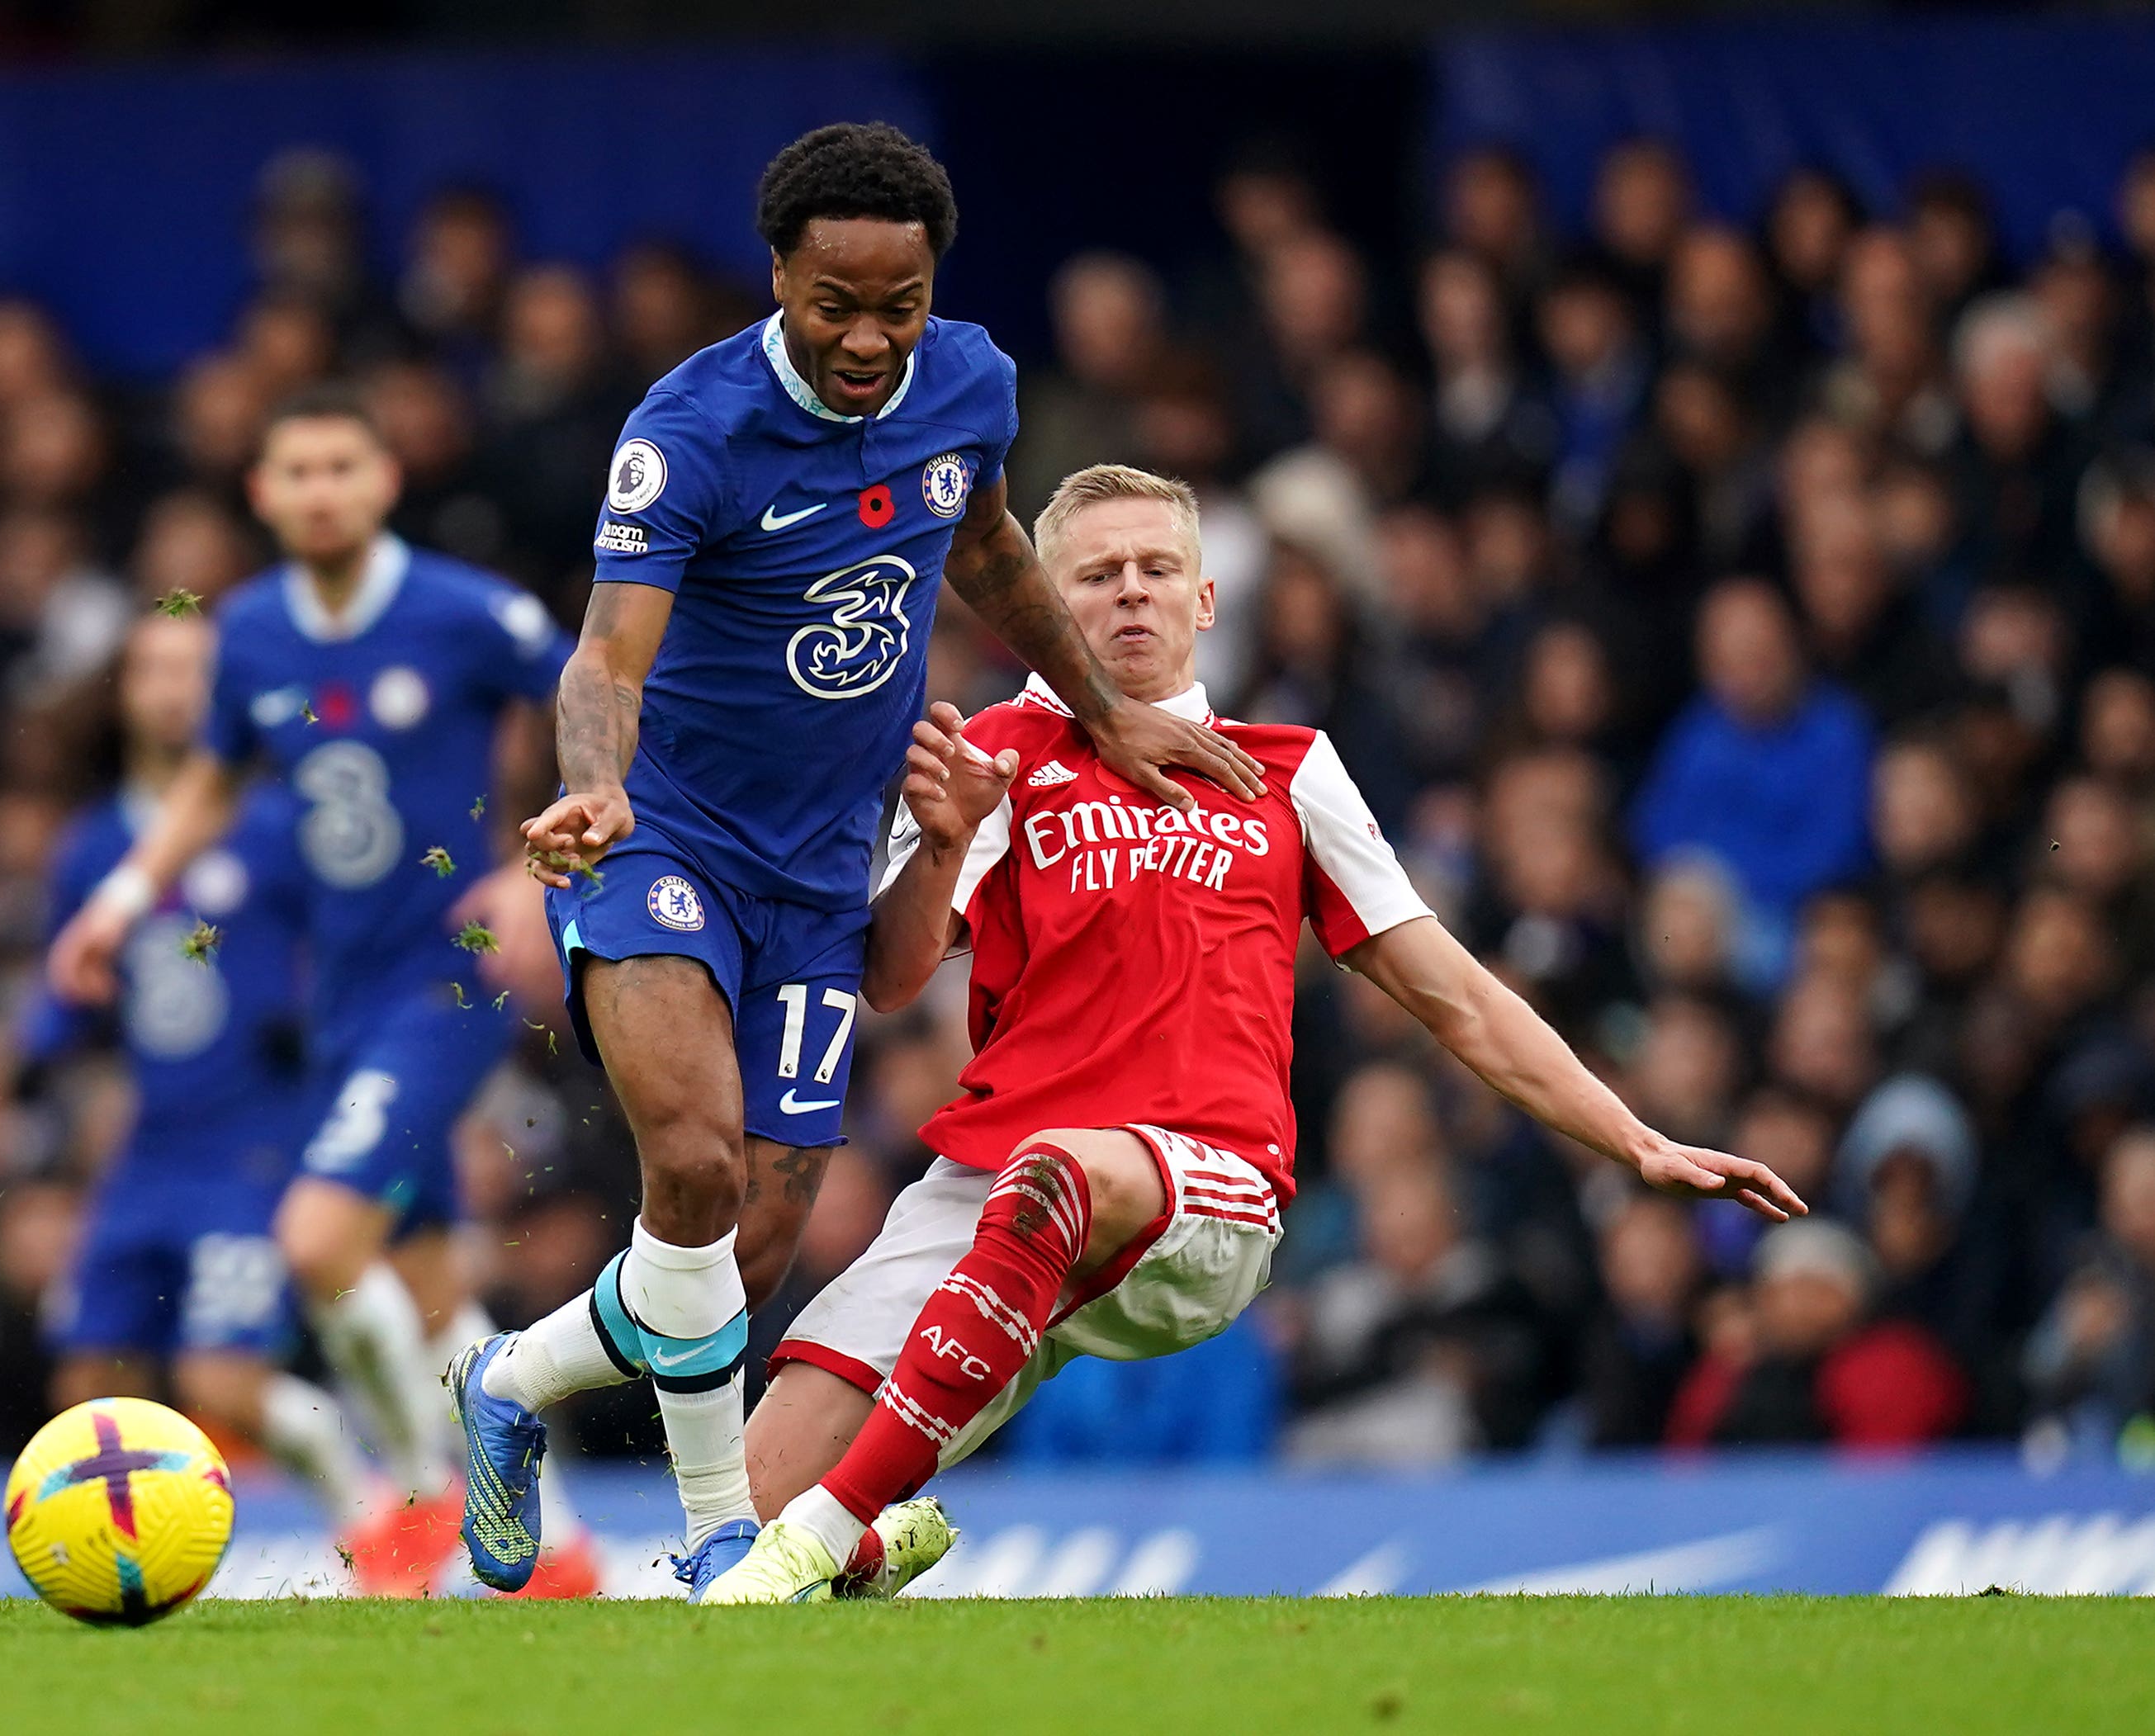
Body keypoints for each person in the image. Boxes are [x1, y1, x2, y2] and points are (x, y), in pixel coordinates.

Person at [699, 464, 1807, 1602]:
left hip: (1202, 1181)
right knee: (740, 1515)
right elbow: (890, 978)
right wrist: (938, 844)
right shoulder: (998, 751)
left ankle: (828, 1528)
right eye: (1095, 574)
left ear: (1205, 598)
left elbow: (1454, 994)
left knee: (1049, 1183)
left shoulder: (1290, 768)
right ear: (1044, 599)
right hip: (992, 1173)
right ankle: (860, 1544)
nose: (1130, 593)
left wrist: (1631, 1138)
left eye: (1155, 569)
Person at [448, 124, 1262, 1598]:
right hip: (665, 832)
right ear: (778, 279)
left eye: (899, 302)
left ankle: (508, 1379)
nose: (870, 337)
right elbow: (600, 661)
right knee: (690, 1158)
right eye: (836, 303)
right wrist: (591, 792)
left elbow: (996, 551)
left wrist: (1112, 717)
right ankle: (710, 1541)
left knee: (748, 1246)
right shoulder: (684, 430)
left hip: (822, 871)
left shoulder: (970, 381)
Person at [44, 386, 582, 1594]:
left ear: (385, 478)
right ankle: (565, 1548)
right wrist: (122, 902)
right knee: (436, 1295)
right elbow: (211, 784)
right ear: (263, 492)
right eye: (299, 470)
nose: (322, 489)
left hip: (443, 975)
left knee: (319, 1238)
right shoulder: (245, 632)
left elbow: (595, 695)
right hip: (345, 997)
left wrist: (525, 865)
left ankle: (423, 1493)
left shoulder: (461, 610)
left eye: (344, 464)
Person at [22, 612, 411, 1576]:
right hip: (147, 1152)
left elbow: (354, 954)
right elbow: (72, 997)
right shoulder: (88, 848)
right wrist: (34, 1060)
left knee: (219, 1379)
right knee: (84, 1385)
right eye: (148, 668)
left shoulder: (279, 829)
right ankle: (113, 1560)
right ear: (122, 692)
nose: (168, 690)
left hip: (255, 1148)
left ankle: (368, 1512)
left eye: (190, 670)